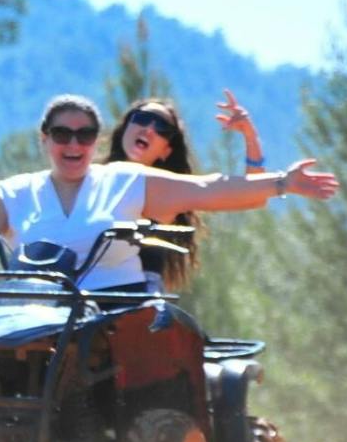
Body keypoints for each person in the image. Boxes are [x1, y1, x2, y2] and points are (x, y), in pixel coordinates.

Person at [0, 93, 338, 290]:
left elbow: (212, 188)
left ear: (95, 138)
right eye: (62, 133)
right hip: (26, 320)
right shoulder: (17, 191)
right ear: (44, 139)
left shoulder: (127, 181)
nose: (73, 144)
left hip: (115, 321)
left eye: (84, 134)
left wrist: (283, 182)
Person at [106, 90, 270, 292]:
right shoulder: (87, 181)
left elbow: (255, 197)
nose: (149, 129)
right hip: (78, 301)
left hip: (137, 309)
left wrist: (250, 136)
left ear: (166, 151)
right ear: (125, 127)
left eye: (162, 128)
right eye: (143, 118)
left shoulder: (172, 193)